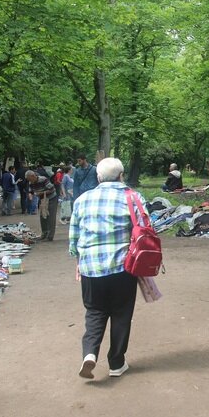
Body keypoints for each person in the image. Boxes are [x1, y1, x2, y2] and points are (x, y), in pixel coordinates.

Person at [69, 157, 143, 380]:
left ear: (98, 177)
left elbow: (74, 238)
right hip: (124, 267)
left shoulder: (82, 200)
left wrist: (79, 262)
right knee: (121, 313)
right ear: (122, 175)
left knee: (94, 311)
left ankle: (90, 353)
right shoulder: (132, 197)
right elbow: (145, 229)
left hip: (91, 268)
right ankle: (116, 363)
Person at [26, 169, 58, 240]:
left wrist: (42, 193)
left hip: (51, 198)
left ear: (33, 176)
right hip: (43, 200)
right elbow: (31, 191)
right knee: (43, 216)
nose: (29, 181)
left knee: (51, 217)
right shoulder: (31, 183)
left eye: (30, 179)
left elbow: (52, 189)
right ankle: (44, 233)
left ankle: (50, 236)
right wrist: (30, 195)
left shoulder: (43, 179)